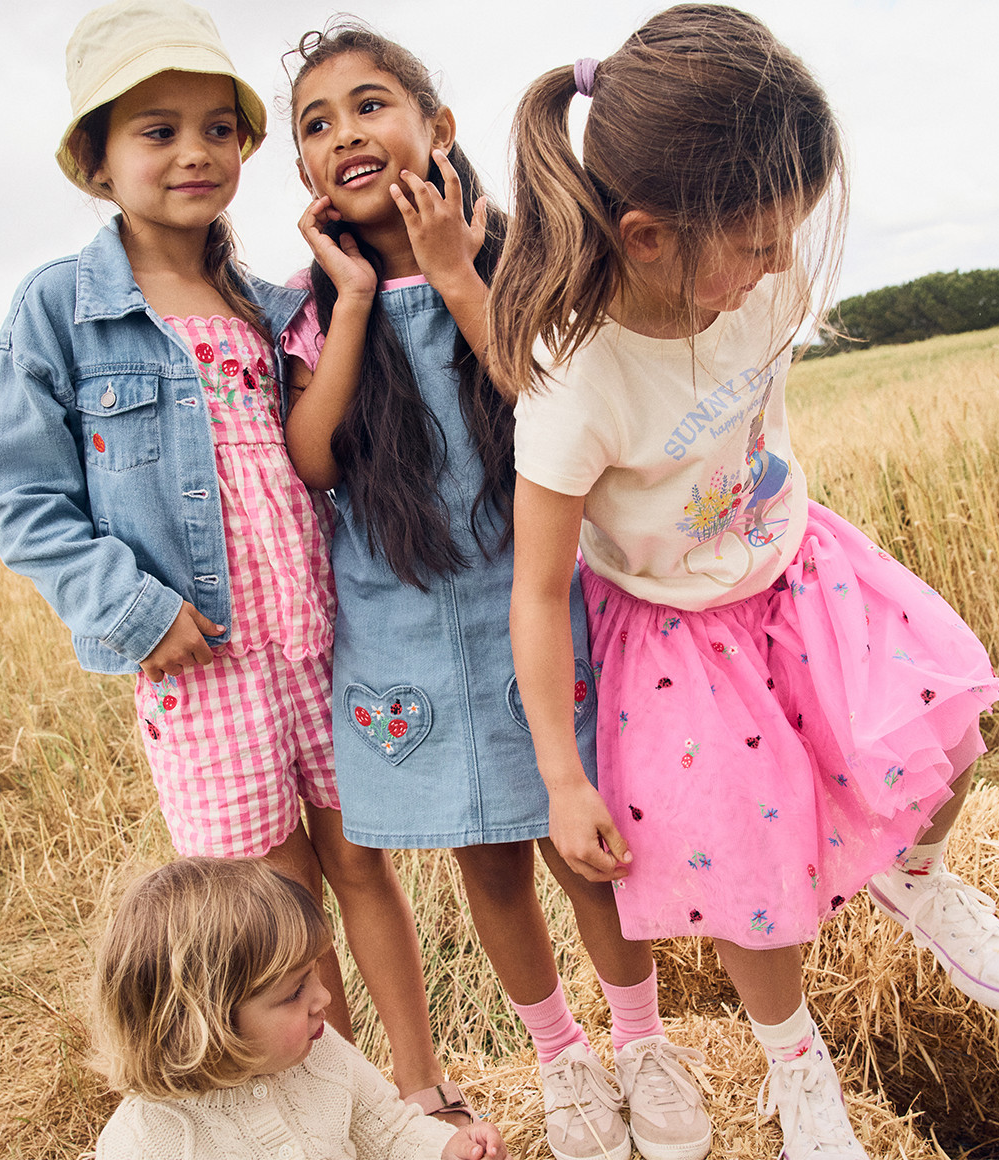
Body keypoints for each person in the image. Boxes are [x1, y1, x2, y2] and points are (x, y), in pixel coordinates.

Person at [492, 6, 999, 1158]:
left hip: (796, 564)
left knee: (952, 728)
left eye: (786, 233)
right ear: (645, 237)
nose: (781, 264)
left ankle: (919, 876)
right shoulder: (573, 379)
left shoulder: (763, 282)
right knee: (757, 871)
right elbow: (536, 590)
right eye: (753, 240)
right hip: (675, 628)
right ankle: (795, 1063)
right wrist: (559, 772)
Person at [0, 0, 458, 1119]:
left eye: (218, 129)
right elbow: (22, 497)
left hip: (322, 639)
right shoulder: (62, 309)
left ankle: (421, 1093)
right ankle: (347, 1116)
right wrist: (135, 611)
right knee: (281, 914)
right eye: (156, 130)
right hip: (204, 667)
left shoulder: (273, 299)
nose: (194, 153)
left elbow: (333, 440)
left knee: (364, 867)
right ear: (96, 161)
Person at [282, 22, 710, 1160]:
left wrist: (460, 278)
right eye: (315, 127)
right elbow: (314, 456)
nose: (345, 135)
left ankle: (640, 1041)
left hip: (533, 602)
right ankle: (561, 1058)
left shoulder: (521, 254)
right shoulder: (313, 304)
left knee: (583, 845)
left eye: (369, 105)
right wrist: (357, 302)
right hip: (404, 629)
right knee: (486, 854)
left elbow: (549, 402)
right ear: (306, 177)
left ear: (439, 128)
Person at [88, 857, 508, 1160]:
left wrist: (444, 1148)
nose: (323, 998)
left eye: (313, 974)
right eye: (294, 992)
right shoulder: (143, 1143)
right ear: (205, 1026)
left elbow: (390, 1131)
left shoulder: (322, 1055)